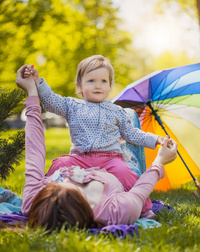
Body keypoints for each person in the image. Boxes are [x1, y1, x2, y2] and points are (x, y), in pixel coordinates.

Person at [16, 65, 177, 232]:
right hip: (80, 157)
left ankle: (145, 207)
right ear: (79, 87)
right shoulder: (72, 105)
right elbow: (50, 100)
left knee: (125, 172)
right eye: (91, 81)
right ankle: (51, 193)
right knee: (60, 162)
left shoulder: (116, 111)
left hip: (109, 157)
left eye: (103, 81)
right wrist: (39, 82)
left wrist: (155, 139)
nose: (98, 85)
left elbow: (131, 133)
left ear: (110, 86)